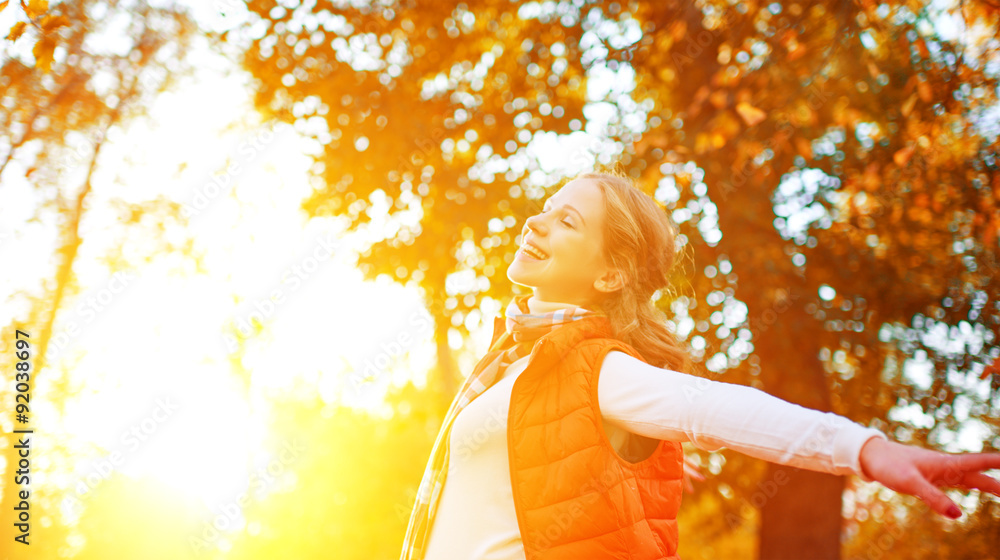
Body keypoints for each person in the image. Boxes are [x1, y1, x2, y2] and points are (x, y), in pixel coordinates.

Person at [400, 170, 1000, 560]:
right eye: (547, 207)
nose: (537, 221)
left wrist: (865, 449)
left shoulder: (599, 367)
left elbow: (715, 409)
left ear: (610, 274)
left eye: (568, 221)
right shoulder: (509, 366)